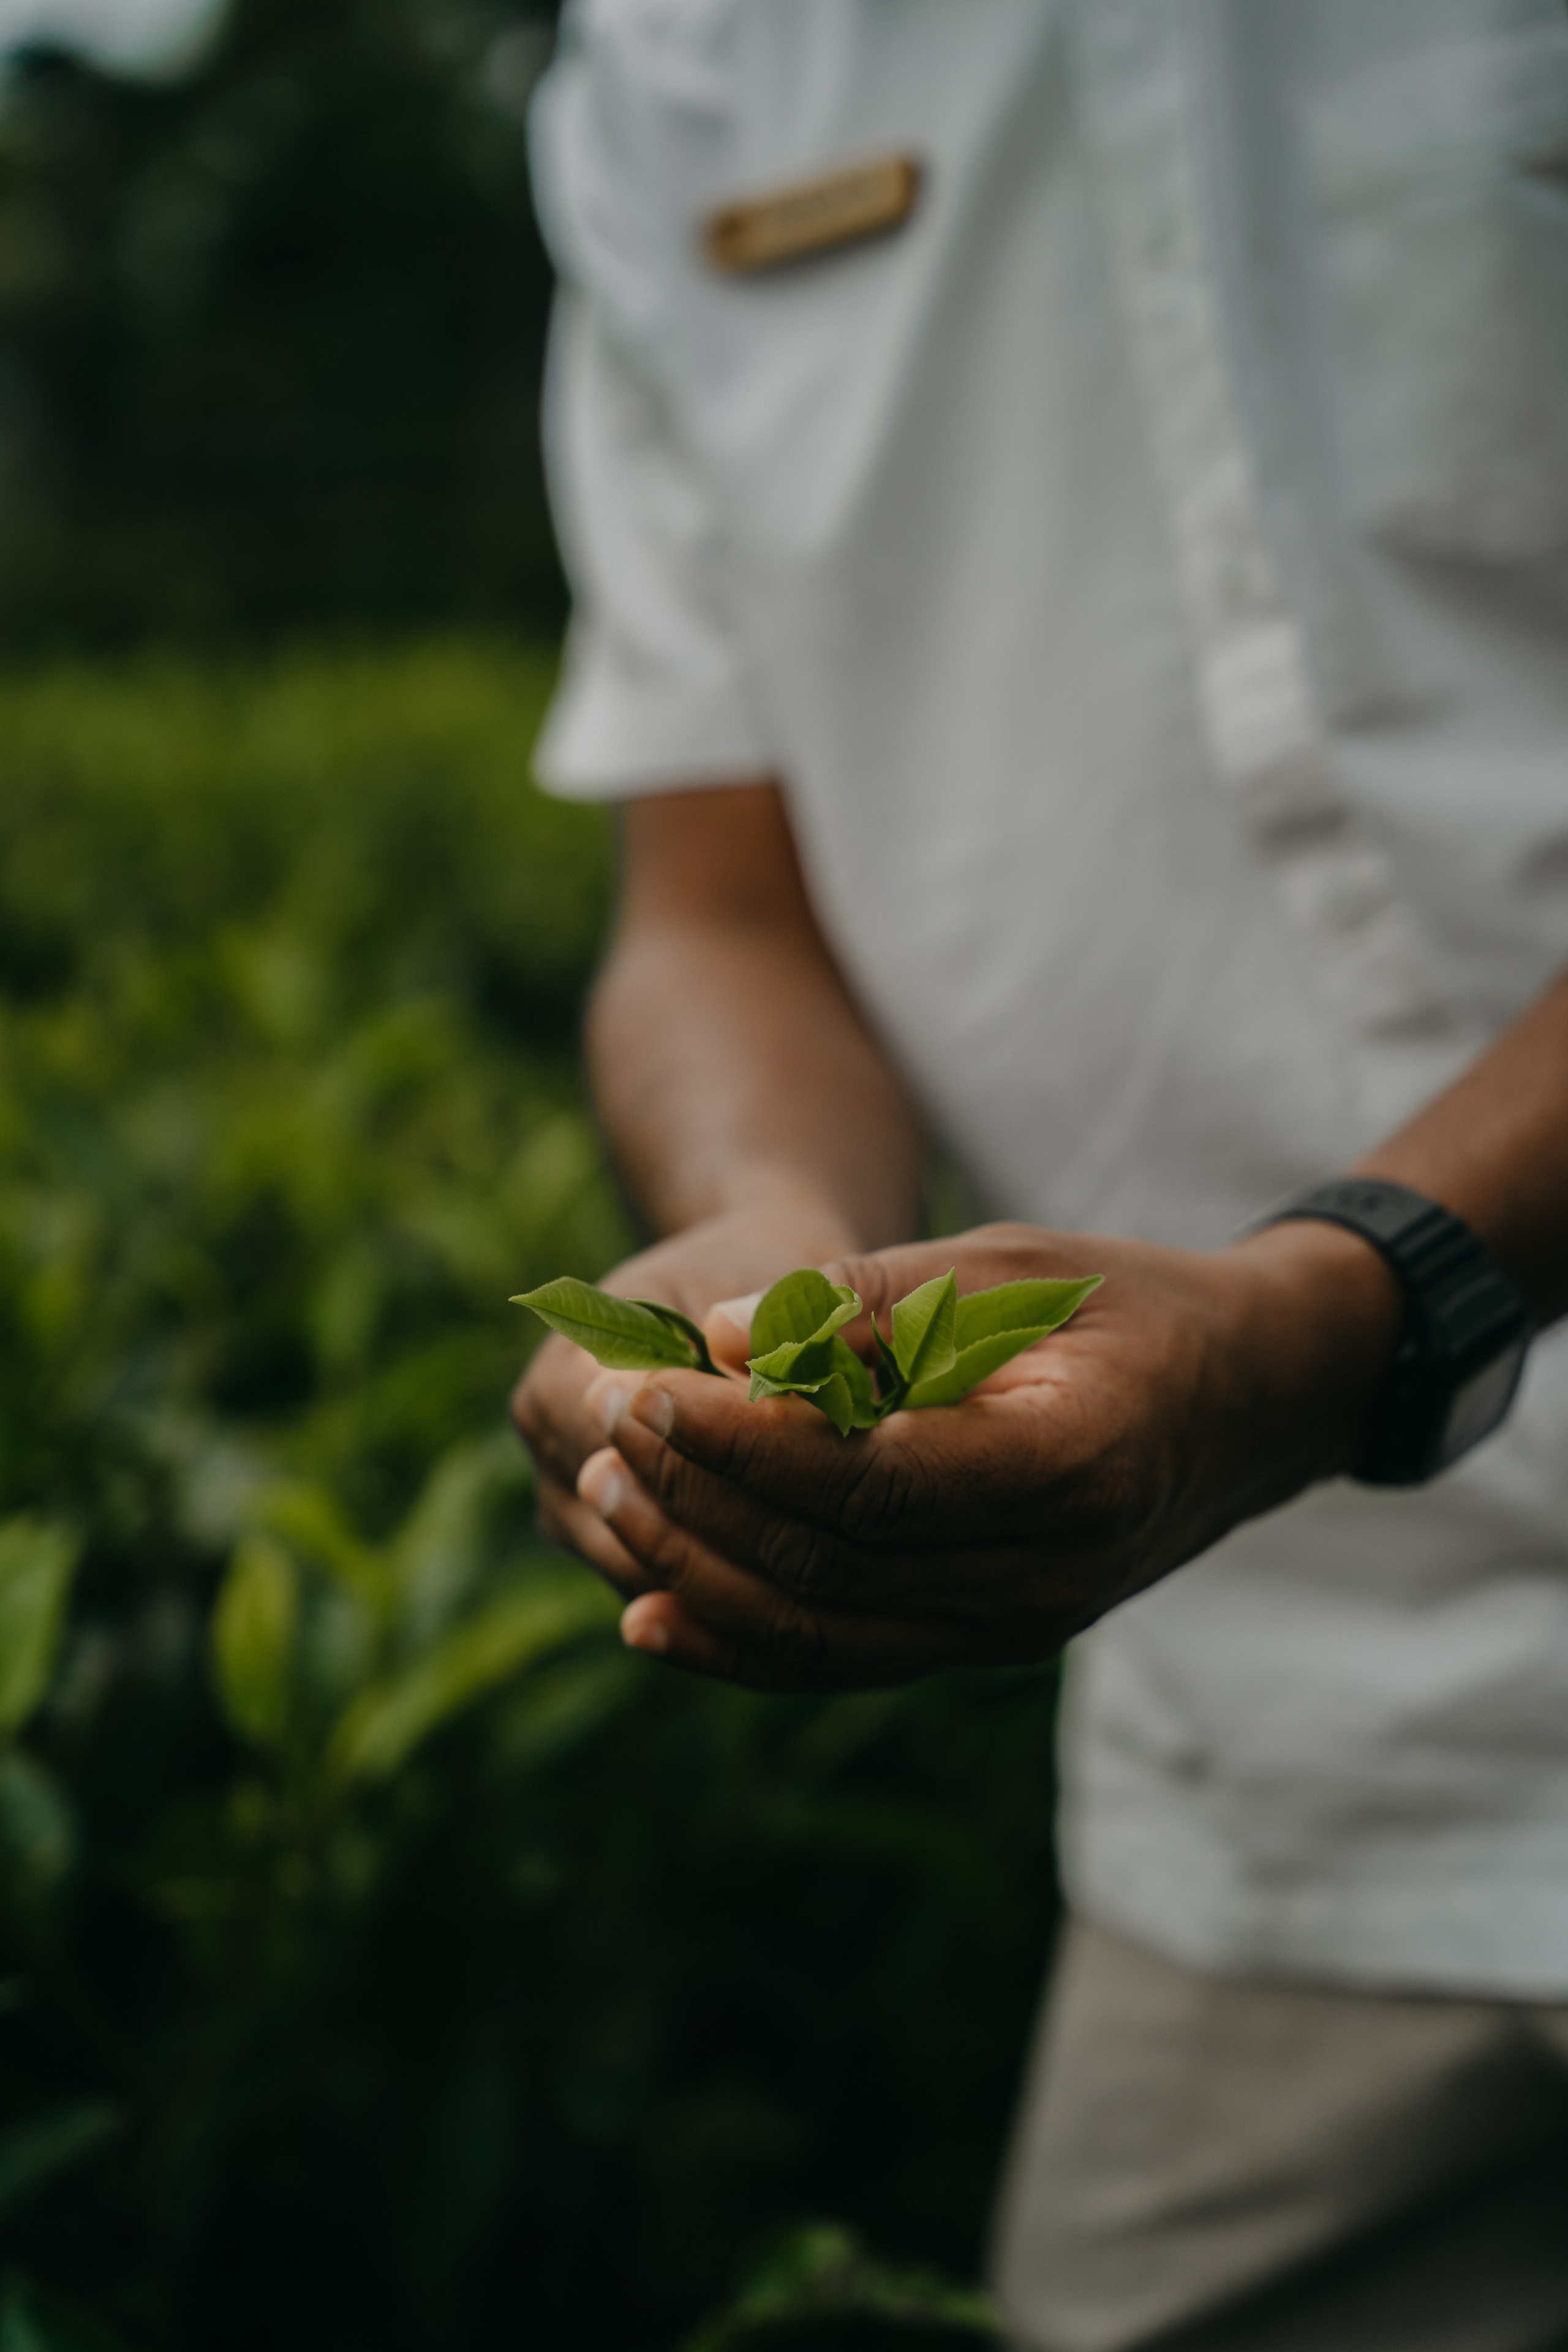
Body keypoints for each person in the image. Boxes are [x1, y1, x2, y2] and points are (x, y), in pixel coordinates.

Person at [511, 4, 1568, 2343]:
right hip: (1279, 1760)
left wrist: (1346, 1310)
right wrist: (769, 1222)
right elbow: (717, 907)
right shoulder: (686, 57)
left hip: (1271, 1468)